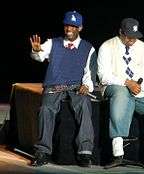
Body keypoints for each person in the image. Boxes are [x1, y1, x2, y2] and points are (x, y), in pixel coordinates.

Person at [29, 11, 97, 167]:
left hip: (75, 86)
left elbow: (89, 72)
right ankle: (43, 151)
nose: (69, 29)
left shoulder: (88, 48)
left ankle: (84, 152)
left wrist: (87, 86)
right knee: (46, 109)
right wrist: (36, 50)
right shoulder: (53, 43)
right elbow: (39, 57)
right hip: (55, 85)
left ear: (80, 28)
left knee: (85, 106)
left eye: (73, 26)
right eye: (67, 25)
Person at [97, 18, 144, 169]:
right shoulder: (107, 46)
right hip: (114, 86)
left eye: (134, 36)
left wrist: (141, 90)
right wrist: (127, 82)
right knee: (122, 94)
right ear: (120, 32)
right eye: (128, 36)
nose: (132, 40)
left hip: (139, 91)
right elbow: (103, 76)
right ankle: (118, 149)